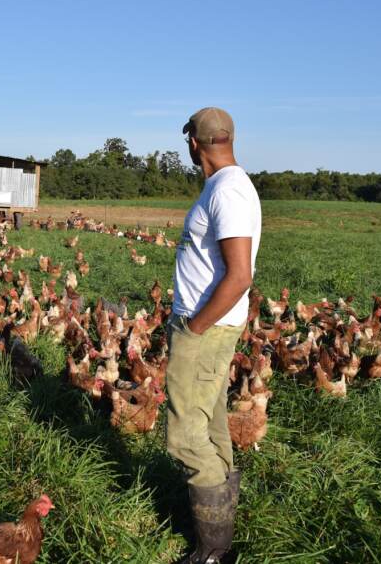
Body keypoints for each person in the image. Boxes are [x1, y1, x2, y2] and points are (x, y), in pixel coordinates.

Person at [167, 107, 261, 564]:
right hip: (210, 325)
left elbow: (240, 275)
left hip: (205, 328)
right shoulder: (224, 186)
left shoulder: (228, 190)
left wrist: (194, 327)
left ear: (194, 144)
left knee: (185, 435)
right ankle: (219, 525)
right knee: (211, 421)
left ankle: (212, 550)